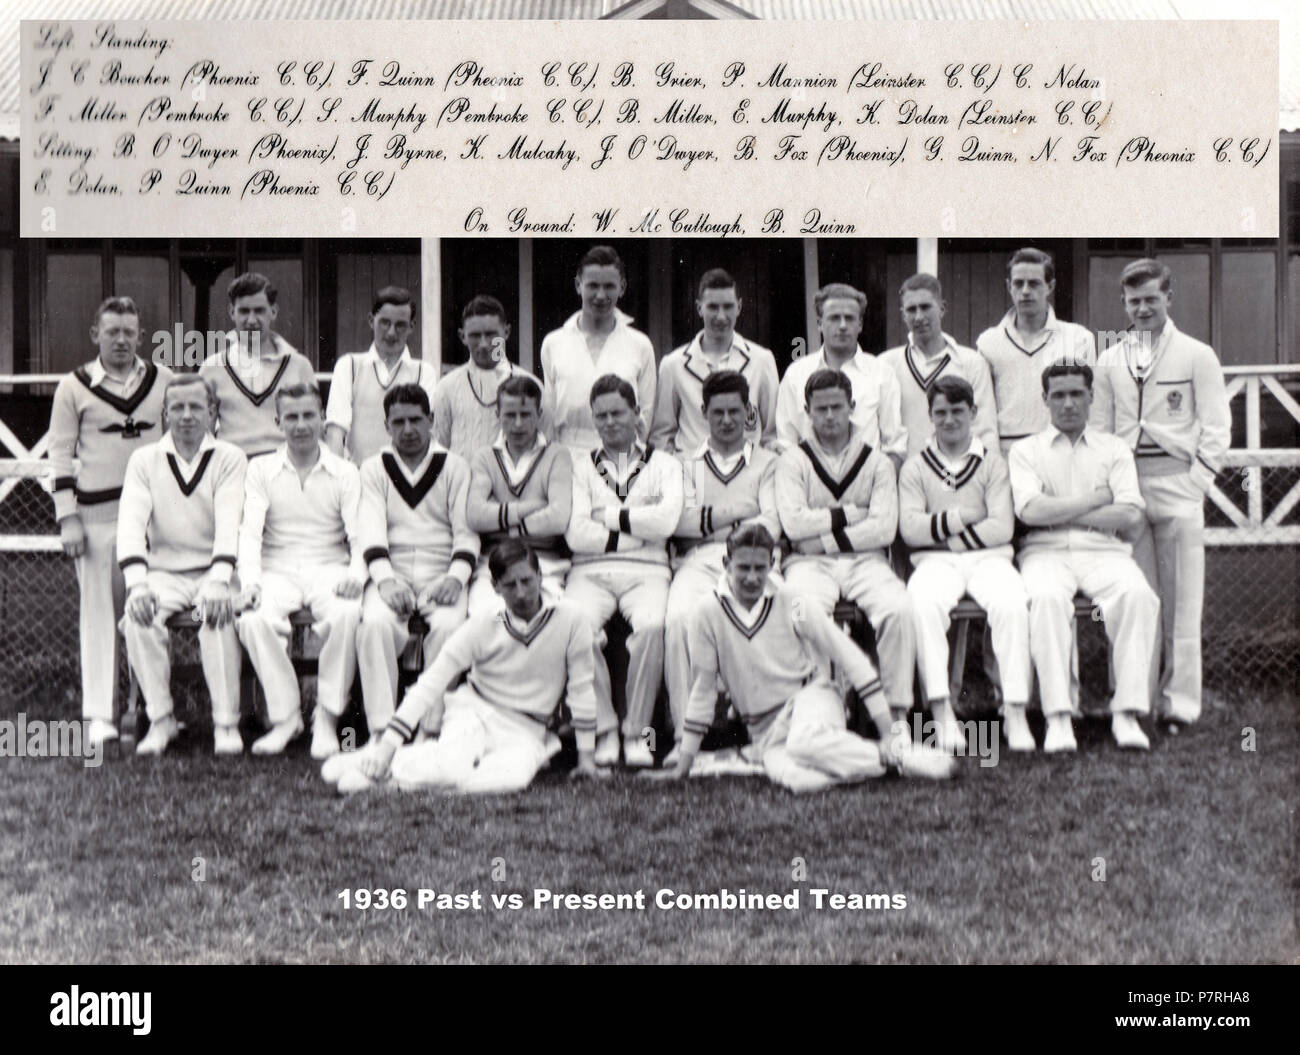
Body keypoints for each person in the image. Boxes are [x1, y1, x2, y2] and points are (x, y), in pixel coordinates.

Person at [650, 524, 955, 790]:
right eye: (743, 568)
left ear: (772, 563)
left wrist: (889, 731)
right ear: (726, 563)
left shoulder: (791, 600)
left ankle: (899, 753)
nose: (753, 578)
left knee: (804, 741)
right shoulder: (706, 612)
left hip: (812, 698)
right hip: (764, 730)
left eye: (760, 568)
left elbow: (848, 656)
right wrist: (683, 766)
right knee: (802, 781)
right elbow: (702, 691)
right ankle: (878, 760)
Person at [323, 541, 607, 795]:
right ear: (494, 587)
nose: (521, 593)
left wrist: (586, 760)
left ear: (541, 577)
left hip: (527, 729)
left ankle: (393, 776)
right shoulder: (484, 621)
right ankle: (381, 759)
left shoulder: (573, 618)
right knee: (452, 769)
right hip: (474, 712)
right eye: (510, 585)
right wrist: (388, 745)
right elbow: (431, 682)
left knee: (507, 782)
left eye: (527, 581)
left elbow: (581, 690)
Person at [1090, 258, 1231, 730]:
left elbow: (1216, 429)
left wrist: (1196, 485)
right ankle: (1133, 700)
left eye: (1152, 298)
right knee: (1134, 598)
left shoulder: (1197, 354)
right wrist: (1110, 490)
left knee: (1181, 602)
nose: (1143, 308)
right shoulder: (1110, 359)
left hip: (1178, 486)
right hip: (1128, 490)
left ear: (1168, 298)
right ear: (1123, 304)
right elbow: (1101, 431)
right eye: (1135, 301)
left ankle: (1179, 705)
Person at [1008, 361, 1160, 752]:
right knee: (1044, 599)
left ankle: (1126, 714)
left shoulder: (1114, 449)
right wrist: (1096, 500)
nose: (1068, 403)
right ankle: (1059, 717)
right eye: (1058, 395)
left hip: (1105, 552)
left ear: (1091, 397)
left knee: (1138, 596)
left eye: (1077, 394)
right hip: (1045, 552)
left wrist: (1058, 508)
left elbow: (1128, 514)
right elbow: (1029, 512)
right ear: (1045, 400)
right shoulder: (1026, 451)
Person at [47, 296, 173, 747]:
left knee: (148, 612)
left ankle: (150, 709)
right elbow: (60, 454)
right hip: (96, 518)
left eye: (129, 332)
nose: (121, 340)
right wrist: (68, 519)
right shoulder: (73, 387)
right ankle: (100, 713)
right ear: (95, 334)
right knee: (99, 615)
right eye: (112, 331)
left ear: (141, 336)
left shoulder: (164, 381)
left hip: (153, 524)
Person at [897, 377, 1033, 752]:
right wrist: (964, 516)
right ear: (930, 416)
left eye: (958, 411)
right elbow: (910, 530)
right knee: (922, 604)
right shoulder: (914, 468)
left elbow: (1001, 526)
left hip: (989, 560)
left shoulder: (992, 463)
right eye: (940, 412)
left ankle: (1015, 710)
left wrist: (941, 531)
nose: (950, 419)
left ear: (973, 413)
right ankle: (941, 712)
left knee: (1011, 604)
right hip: (934, 564)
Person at [774, 369, 916, 723]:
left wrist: (818, 538)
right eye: (820, 409)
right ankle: (821, 711)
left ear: (852, 406)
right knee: (802, 611)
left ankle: (896, 713)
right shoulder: (793, 460)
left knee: (898, 608)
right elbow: (793, 523)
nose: (829, 416)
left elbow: (883, 529)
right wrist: (853, 513)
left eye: (837, 407)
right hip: (808, 566)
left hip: (865, 561)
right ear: (806, 411)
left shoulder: (878, 461)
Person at [117, 375, 247, 755]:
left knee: (218, 614)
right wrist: (137, 584)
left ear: (212, 412)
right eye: (178, 407)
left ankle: (226, 723)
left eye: (196, 407)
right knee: (138, 615)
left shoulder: (229, 458)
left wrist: (221, 580)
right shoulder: (144, 460)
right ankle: (161, 719)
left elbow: (229, 525)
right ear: (165, 413)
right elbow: (131, 525)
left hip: (215, 571)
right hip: (164, 573)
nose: (187, 416)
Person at [236, 383, 366, 758]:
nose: (301, 424)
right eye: (291, 417)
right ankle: (286, 717)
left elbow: (359, 538)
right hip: (277, 567)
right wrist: (251, 583)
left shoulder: (345, 472)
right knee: (252, 619)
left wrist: (356, 578)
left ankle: (326, 717)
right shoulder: (261, 469)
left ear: (323, 418)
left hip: (329, 564)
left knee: (347, 613)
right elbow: (250, 533)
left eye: (309, 415)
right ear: (278, 422)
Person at [565, 374, 684, 768]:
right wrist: (637, 530)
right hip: (590, 570)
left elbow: (666, 522)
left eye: (618, 413)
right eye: (601, 416)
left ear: (637, 414)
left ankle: (636, 734)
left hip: (648, 570)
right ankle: (602, 731)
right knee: (578, 624)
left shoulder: (665, 464)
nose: (610, 422)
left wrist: (610, 516)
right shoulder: (581, 467)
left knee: (652, 626)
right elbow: (578, 533)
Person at [663, 370, 780, 757]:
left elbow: (772, 522)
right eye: (718, 413)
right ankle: (685, 736)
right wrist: (740, 511)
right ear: (704, 413)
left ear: (748, 411)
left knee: (777, 614)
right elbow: (681, 523)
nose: (727, 420)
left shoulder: (767, 462)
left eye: (735, 411)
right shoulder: (690, 463)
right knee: (679, 617)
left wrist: (713, 523)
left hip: (755, 562)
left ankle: (773, 727)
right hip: (700, 560)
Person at [356, 384, 479, 735]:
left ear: (431, 420)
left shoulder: (454, 466)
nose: (407, 430)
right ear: (386, 425)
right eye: (398, 422)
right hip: (392, 569)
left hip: (441, 569)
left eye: (415, 420)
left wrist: (456, 577)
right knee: (375, 625)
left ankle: (431, 728)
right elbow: (371, 529)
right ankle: (382, 729)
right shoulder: (374, 468)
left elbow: (466, 531)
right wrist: (385, 580)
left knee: (448, 628)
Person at [465, 374, 571, 617]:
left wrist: (504, 525)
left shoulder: (557, 455)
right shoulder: (485, 457)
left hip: (545, 563)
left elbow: (558, 518)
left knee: (548, 620)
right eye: (510, 415)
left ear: (540, 414)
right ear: (498, 415)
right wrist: (535, 506)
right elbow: (475, 515)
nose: (518, 424)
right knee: (488, 617)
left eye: (526, 415)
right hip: (494, 563)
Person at [976, 248, 1096, 454]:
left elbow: (1090, 407)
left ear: (1050, 286)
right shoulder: (988, 342)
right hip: (1008, 454)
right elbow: (983, 412)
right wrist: (992, 463)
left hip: (1062, 450)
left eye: (1034, 283)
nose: (1025, 291)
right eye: (1018, 283)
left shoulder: (1079, 338)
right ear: (1008, 286)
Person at [775, 282, 906, 467]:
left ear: (860, 324)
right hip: (809, 490)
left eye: (850, 318)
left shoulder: (881, 373)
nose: (843, 325)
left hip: (867, 490)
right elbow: (786, 444)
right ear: (820, 323)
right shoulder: (796, 375)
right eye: (834, 318)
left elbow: (894, 446)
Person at [649, 268, 779, 454]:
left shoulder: (761, 360)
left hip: (747, 471)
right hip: (694, 472)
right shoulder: (673, 364)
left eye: (728, 306)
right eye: (712, 307)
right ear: (699, 308)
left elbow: (772, 433)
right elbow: (662, 435)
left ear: (739, 307)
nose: (720, 316)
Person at [540, 246, 657, 452]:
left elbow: (645, 416)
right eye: (593, 285)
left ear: (622, 287)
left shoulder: (640, 344)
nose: (601, 295)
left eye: (609, 286)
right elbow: (549, 415)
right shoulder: (554, 343)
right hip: (569, 454)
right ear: (578, 285)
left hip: (623, 455)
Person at [879, 273, 998, 458]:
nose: (918, 317)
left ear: (942, 308)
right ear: (903, 315)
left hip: (960, 475)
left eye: (925, 307)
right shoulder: (887, 364)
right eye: (911, 310)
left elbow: (985, 431)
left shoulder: (971, 362)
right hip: (906, 478)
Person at [200, 272, 316, 457]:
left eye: (259, 310)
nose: (252, 320)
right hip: (232, 467)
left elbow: (313, 428)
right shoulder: (212, 367)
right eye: (244, 311)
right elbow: (203, 433)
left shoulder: (299, 365)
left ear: (274, 311)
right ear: (232, 312)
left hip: (284, 467)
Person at [324, 286, 436, 464]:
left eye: (400, 325)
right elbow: (335, 432)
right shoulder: (349, 366)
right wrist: (337, 480)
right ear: (371, 320)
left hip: (406, 479)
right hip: (358, 477)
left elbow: (425, 432)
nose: (391, 332)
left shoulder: (423, 371)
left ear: (412, 326)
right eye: (385, 322)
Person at [431, 295, 546, 462]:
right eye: (475, 335)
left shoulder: (531, 384)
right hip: (463, 485)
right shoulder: (446, 387)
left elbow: (543, 445)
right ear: (462, 336)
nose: (484, 344)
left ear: (506, 332)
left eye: (491, 335)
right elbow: (438, 448)